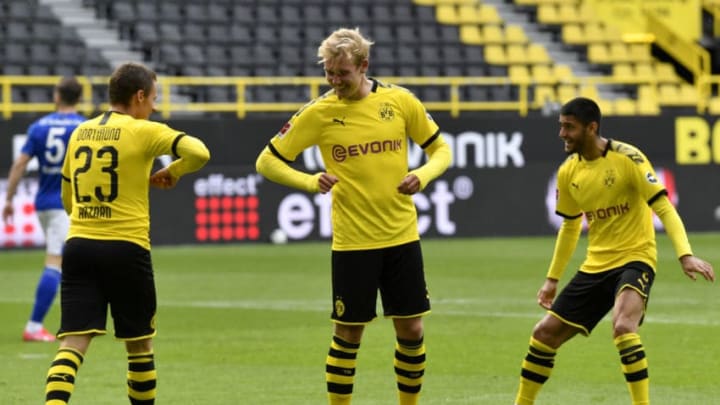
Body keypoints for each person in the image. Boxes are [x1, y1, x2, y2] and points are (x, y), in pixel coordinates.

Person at [256, 27, 451, 405]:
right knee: (348, 334)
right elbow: (267, 161)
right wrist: (310, 182)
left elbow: (441, 150)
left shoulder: (399, 101)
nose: (334, 81)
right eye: (329, 72)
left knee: (411, 329)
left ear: (364, 66)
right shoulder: (320, 112)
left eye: (342, 73)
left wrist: (422, 175)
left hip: (402, 237)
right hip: (353, 242)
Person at [513, 97, 715, 405]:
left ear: (591, 128)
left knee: (623, 326)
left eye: (569, 127)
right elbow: (569, 227)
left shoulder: (628, 158)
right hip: (596, 264)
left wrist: (685, 254)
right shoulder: (568, 173)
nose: (562, 134)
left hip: (636, 258)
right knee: (544, 334)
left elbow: (662, 206)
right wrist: (552, 279)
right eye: (561, 126)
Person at [43, 62, 210, 405]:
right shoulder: (143, 131)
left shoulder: (81, 132)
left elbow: (67, 197)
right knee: (139, 346)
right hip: (126, 248)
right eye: (153, 98)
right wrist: (173, 171)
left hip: (79, 245)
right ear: (138, 96)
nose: (154, 106)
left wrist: (90, 220)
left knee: (72, 344)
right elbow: (199, 152)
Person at [2, 77, 85, 342]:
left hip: (44, 202)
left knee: (73, 260)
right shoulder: (84, 128)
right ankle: (35, 326)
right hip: (68, 204)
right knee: (56, 262)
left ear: (57, 96)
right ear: (79, 98)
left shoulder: (39, 127)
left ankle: (80, 318)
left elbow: (19, 165)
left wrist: (9, 199)